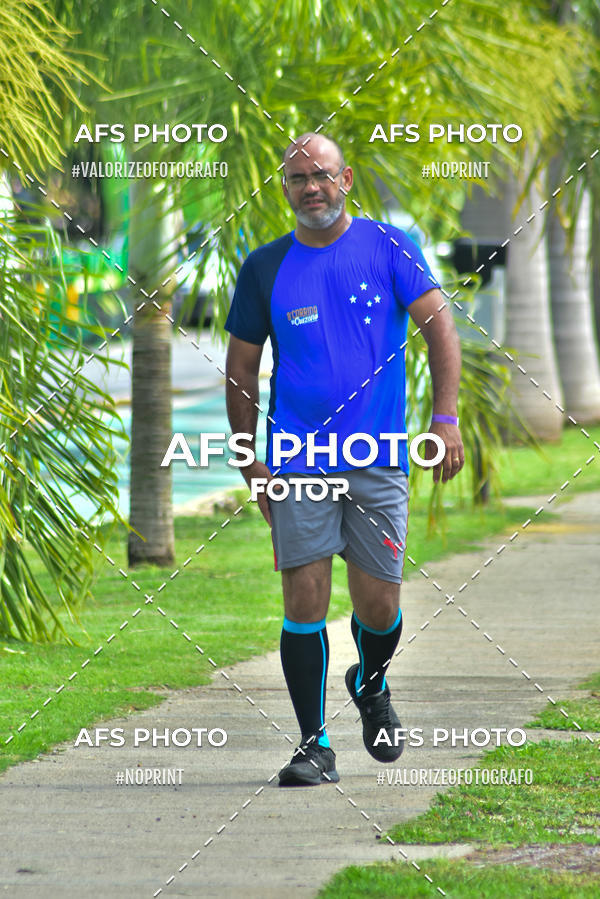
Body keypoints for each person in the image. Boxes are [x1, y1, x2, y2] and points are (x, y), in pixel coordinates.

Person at [225, 132, 464, 786]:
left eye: (322, 175)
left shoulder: (388, 246)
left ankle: (370, 678)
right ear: (285, 188)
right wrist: (252, 462)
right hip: (297, 458)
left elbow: (439, 325)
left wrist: (444, 418)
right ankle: (313, 743)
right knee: (304, 598)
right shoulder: (264, 268)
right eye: (298, 178)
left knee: (379, 603)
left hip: (378, 454)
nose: (311, 187)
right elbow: (241, 370)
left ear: (346, 177)